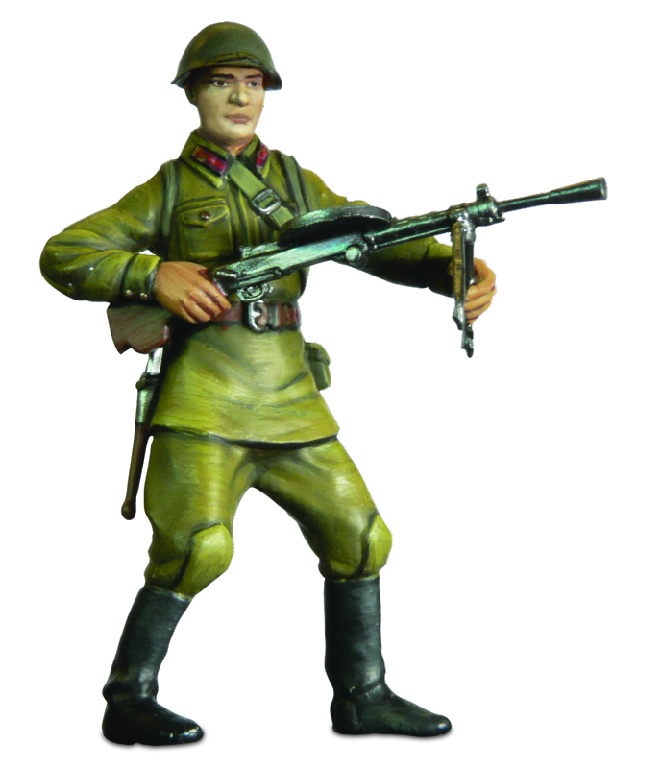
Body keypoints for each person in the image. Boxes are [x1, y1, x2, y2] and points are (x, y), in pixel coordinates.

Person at [40, 21, 496, 746]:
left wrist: (451, 268)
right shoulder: (168, 189)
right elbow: (65, 253)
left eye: (253, 84)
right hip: (204, 399)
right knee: (197, 549)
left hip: (289, 396)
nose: (239, 97)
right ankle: (128, 697)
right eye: (222, 82)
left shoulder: (292, 181)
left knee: (360, 535)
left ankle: (362, 694)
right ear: (193, 93)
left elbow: (368, 242)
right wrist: (151, 274)